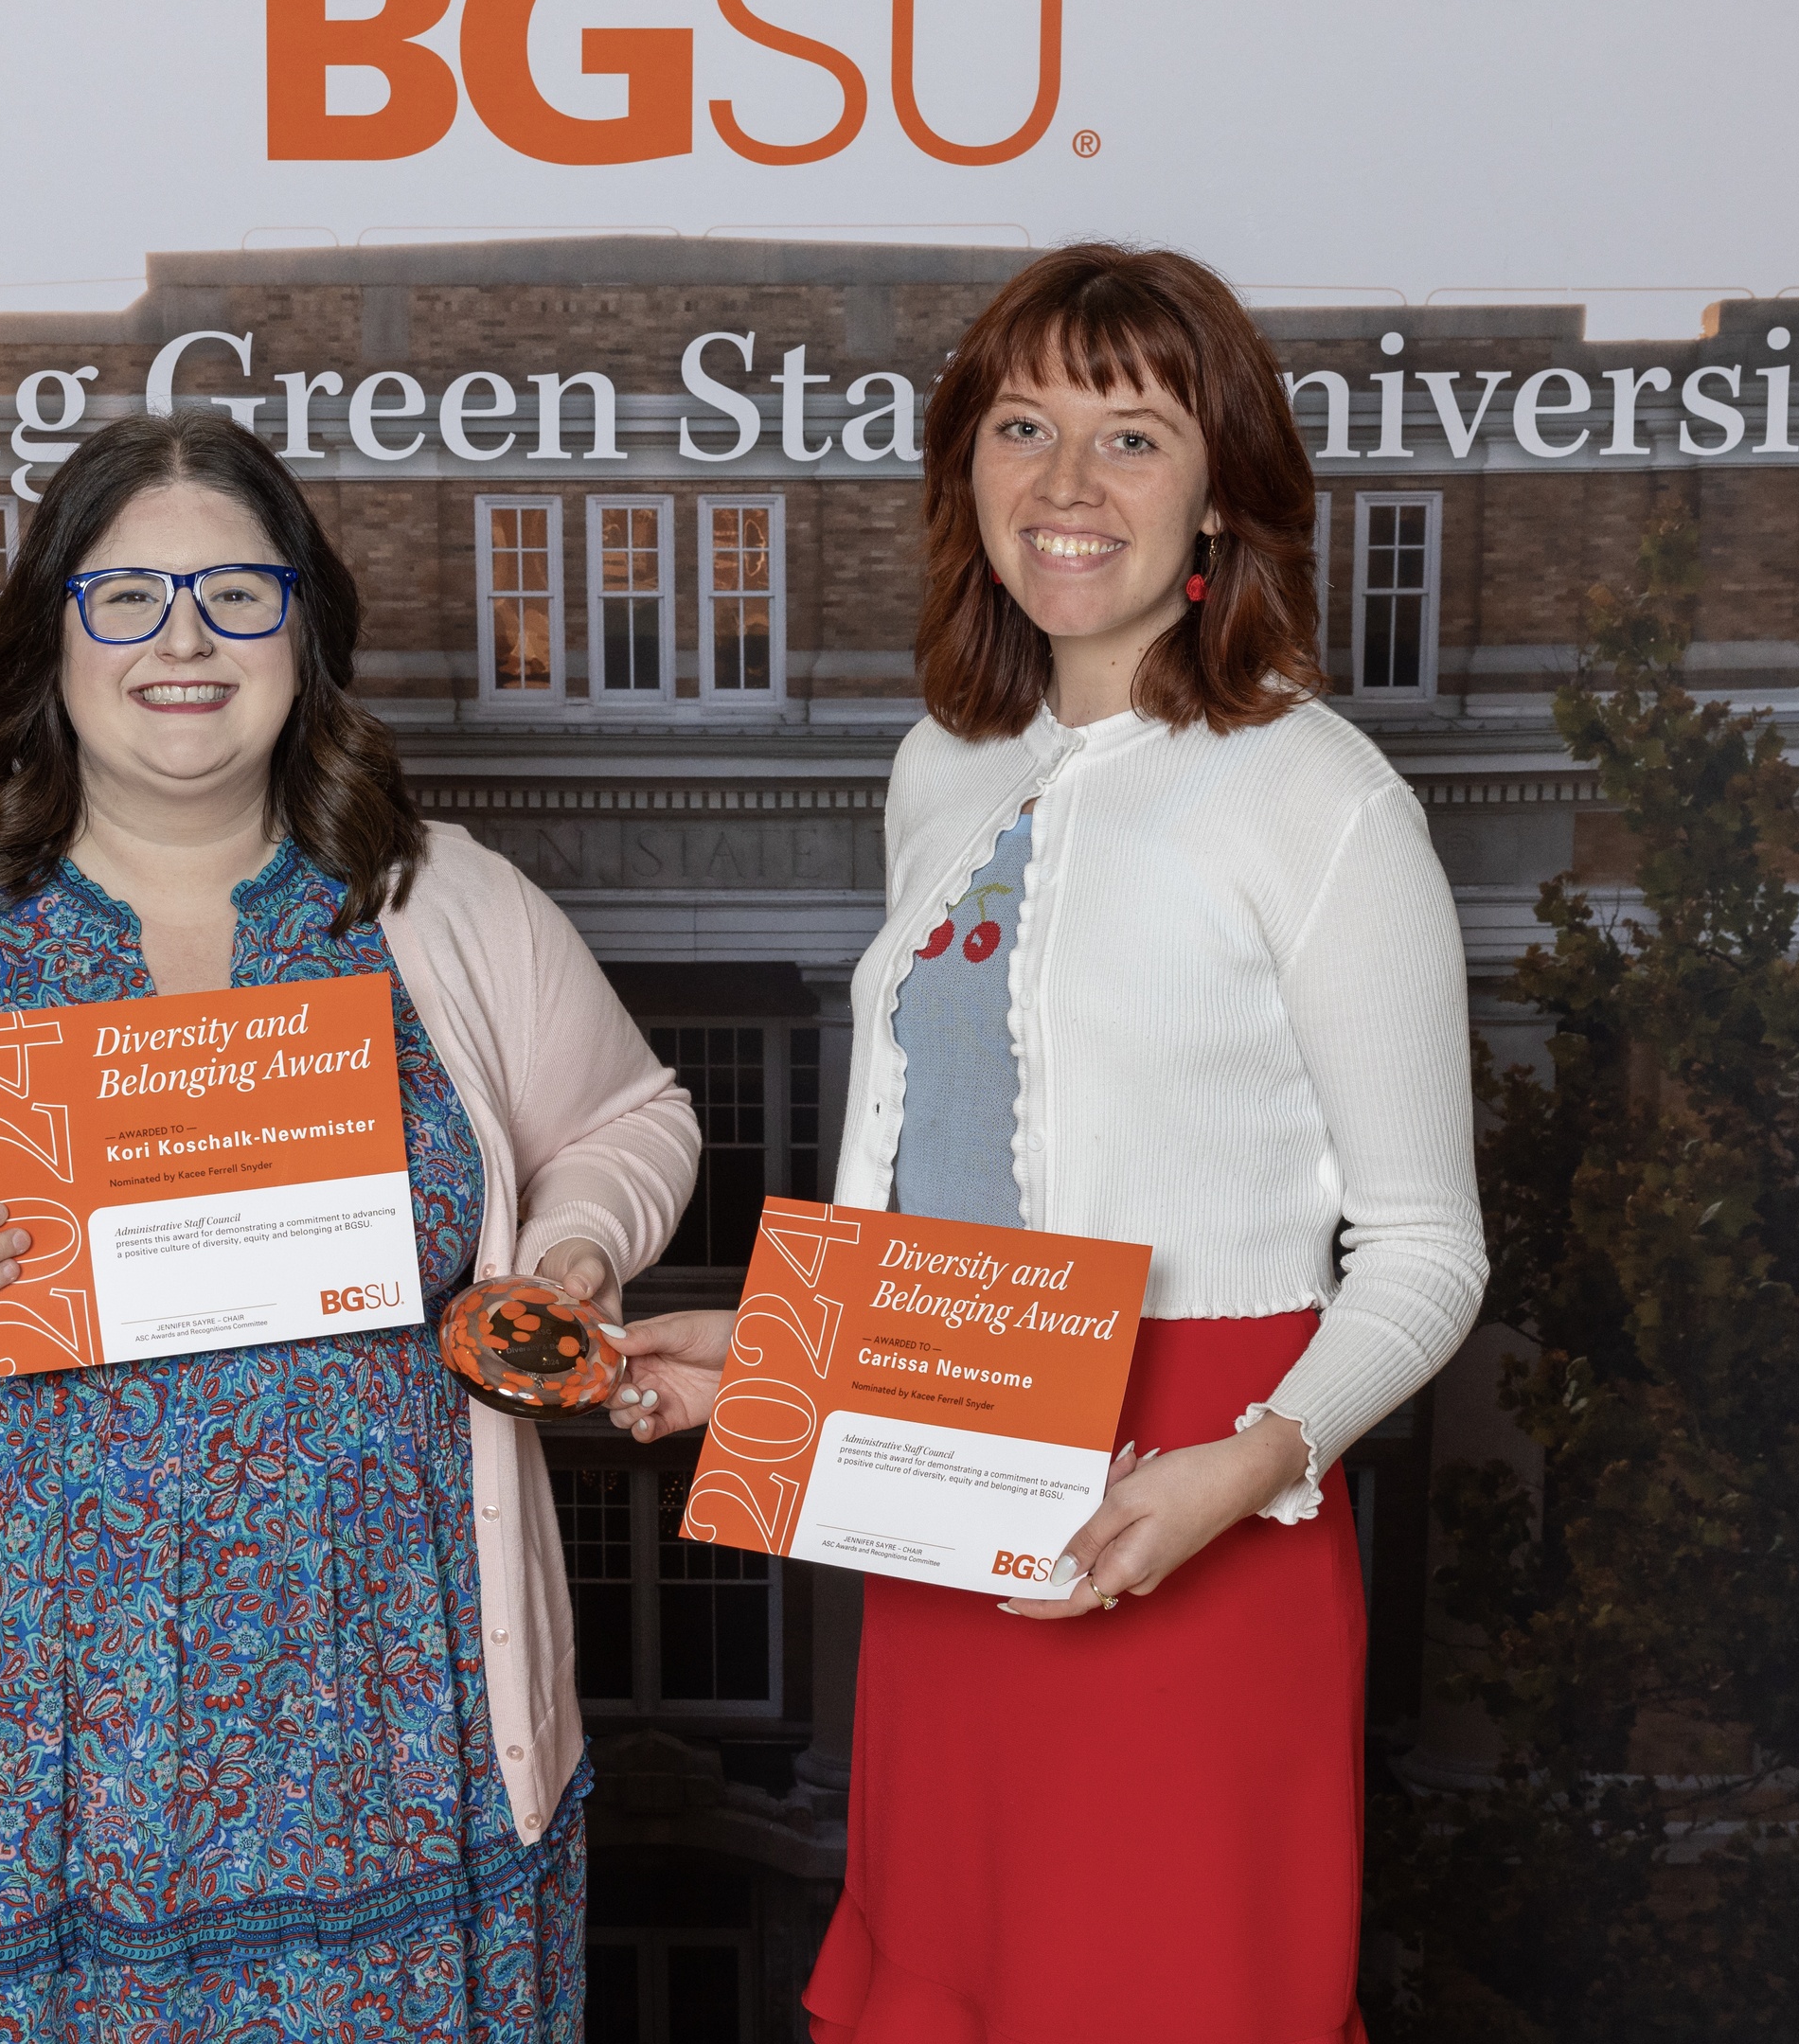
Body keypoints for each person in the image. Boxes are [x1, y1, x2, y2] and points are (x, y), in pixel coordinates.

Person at [0, 417, 698, 2040]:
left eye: (237, 596)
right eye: (125, 597)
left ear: (302, 630)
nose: (183, 639)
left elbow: (631, 1119)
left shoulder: (440, 902)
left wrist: (576, 1245)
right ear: (50, 631)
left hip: (380, 1728)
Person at [604, 244, 1486, 2044]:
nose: (1066, 486)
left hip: (1199, 1496)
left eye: (1132, 436)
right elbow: (963, 1196)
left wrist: (1245, 1471)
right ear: (966, 470)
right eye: (1022, 425)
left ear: (1223, 493)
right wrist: (777, 1361)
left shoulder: (1322, 799)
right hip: (951, 1494)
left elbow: (1426, 1254)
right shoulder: (944, 761)